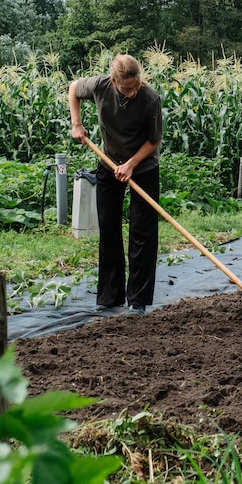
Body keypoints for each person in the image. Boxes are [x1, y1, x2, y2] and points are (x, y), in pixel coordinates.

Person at [69, 54, 163, 314]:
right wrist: (76, 124)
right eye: (127, 87)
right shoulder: (100, 86)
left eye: (136, 85)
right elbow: (74, 89)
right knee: (108, 228)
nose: (132, 91)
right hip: (109, 163)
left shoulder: (150, 99)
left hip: (143, 167)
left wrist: (131, 164)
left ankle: (138, 300)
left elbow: (154, 140)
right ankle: (110, 298)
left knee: (142, 232)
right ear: (114, 81)